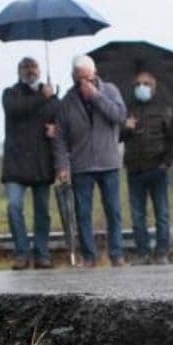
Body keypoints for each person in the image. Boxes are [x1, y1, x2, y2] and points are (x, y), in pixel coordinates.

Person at [51, 54, 128, 267]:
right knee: (83, 213)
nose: (84, 83)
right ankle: (89, 256)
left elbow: (120, 116)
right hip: (81, 165)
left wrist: (96, 96)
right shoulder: (67, 101)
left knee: (113, 211)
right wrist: (62, 166)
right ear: (73, 77)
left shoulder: (110, 91)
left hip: (109, 162)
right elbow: (59, 138)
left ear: (95, 74)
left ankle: (116, 254)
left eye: (88, 78)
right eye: (80, 79)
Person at [1, 57, 59, 269]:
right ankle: (21, 253)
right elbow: (17, 110)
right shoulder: (10, 94)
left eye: (33, 67)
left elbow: (60, 120)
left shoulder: (51, 95)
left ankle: (42, 254)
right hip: (16, 164)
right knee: (14, 207)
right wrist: (44, 98)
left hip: (42, 162)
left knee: (42, 211)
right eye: (25, 67)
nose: (30, 71)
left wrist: (57, 127)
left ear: (40, 70)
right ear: (19, 72)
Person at [120, 70, 173, 264]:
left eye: (145, 84)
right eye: (137, 84)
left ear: (154, 87)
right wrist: (125, 128)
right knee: (137, 215)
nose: (140, 87)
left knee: (162, 213)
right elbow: (117, 137)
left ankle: (162, 252)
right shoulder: (127, 109)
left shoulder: (164, 109)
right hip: (134, 169)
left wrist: (166, 163)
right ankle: (142, 253)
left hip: (157, 168)